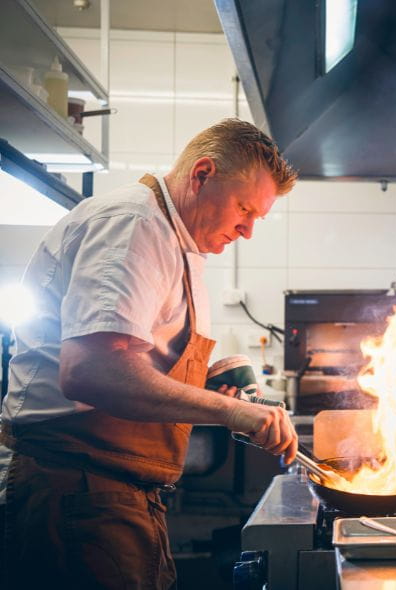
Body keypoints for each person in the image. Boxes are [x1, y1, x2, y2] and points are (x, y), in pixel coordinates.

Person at [0, 118, 299, 589]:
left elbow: (133, 359)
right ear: (202, 174)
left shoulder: (175, 238)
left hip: (110, 488)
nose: (246, 231)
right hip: (78, 489)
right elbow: (91, 371)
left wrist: (210, 381)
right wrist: (230, 411)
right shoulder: (134, 225)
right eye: (244, 209)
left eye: (256, 218)